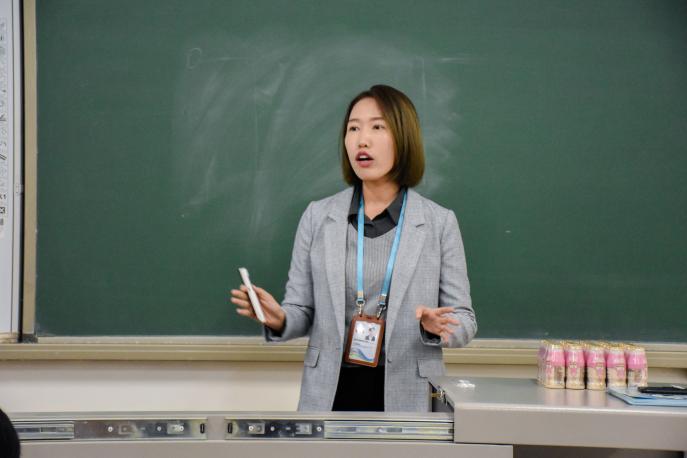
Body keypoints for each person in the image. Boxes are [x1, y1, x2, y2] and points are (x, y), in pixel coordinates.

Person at [231, 84, 476, 412]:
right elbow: (301, 310)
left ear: (403, 138)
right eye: (353, 129)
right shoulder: (318, 217)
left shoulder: (438, 223)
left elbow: (465, 320)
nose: (362, 140)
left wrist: (435, 328)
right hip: (330, 393)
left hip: (407, 394)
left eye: (377, 127)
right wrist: (279, 318)